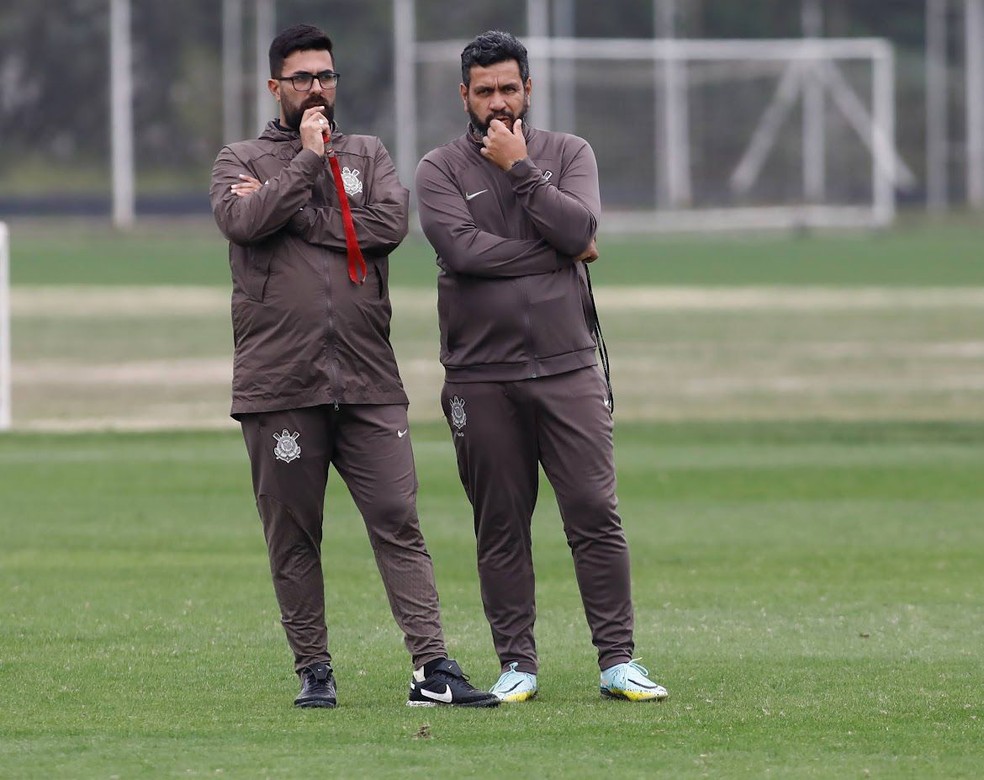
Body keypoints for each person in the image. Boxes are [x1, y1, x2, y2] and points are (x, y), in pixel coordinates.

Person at [209, 23, 498, 710]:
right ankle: (314, 670)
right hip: (280, 382)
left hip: (369, 378)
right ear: (275, 86)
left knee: (399, 518)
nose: (318, 89)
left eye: (327, 76)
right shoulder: (239, 156)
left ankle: (432, 668)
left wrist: (294, 208)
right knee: (294, 534)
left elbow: (388, 227)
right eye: (303, 78)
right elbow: (243, 224)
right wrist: (308, 169)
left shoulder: (369, 153)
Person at [414, 30, 669, 704]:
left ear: (529, 90)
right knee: (500, 522)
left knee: (593, 511)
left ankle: (618, 662)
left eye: (509, 88)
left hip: (568, 368)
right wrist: (561, 250)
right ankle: (517, 665)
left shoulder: (567, 153)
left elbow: (580, 225)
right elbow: (464, 254)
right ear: (463, 95)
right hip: (480, 376)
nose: (498, 102)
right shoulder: (439, 170)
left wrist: (523, 170)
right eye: (485, 91)